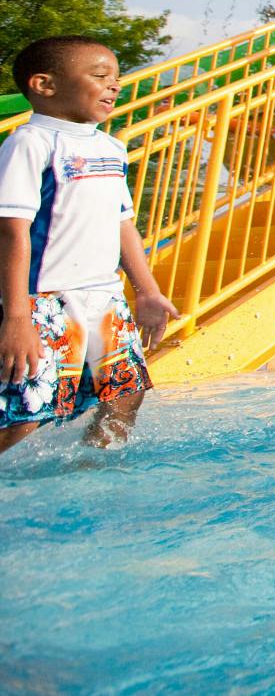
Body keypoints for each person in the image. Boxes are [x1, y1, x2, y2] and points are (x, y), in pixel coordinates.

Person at [1, 37, 179, 454]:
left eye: (116, 79)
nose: (113, 86)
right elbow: (12, 232)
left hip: (104, 295)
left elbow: (123, 224)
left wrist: (147, 291)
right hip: (44, 300)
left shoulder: (110, 147)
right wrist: (15, 316)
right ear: (44, 85)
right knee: (25, 415)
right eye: (100, 76)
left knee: (125, 396)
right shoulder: (31, 143)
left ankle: (87, 478)